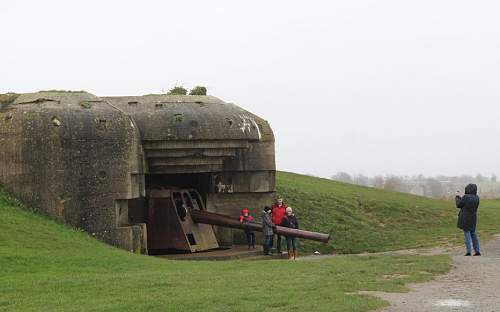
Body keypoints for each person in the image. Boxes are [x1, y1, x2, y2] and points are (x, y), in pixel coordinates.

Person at [456, 184, 481, 256]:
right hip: (473, 218)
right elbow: (466, 204)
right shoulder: (477, 197)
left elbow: (459, 205)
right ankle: (477, 251)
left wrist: (457, 197)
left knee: (467, 234)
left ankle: (468, 252)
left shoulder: (466, 197)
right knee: (473, 234)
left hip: (465, 218)